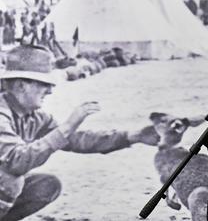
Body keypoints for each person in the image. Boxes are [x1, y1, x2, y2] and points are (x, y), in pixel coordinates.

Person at [0, 45, 159, 220]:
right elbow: (15, 161)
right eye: (44, 84)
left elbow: (77, 139)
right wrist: (68, 125)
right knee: (11, 180)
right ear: (22, 86)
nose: (50, 91)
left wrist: (131, 136)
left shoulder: (32, 117)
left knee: (47, 185)